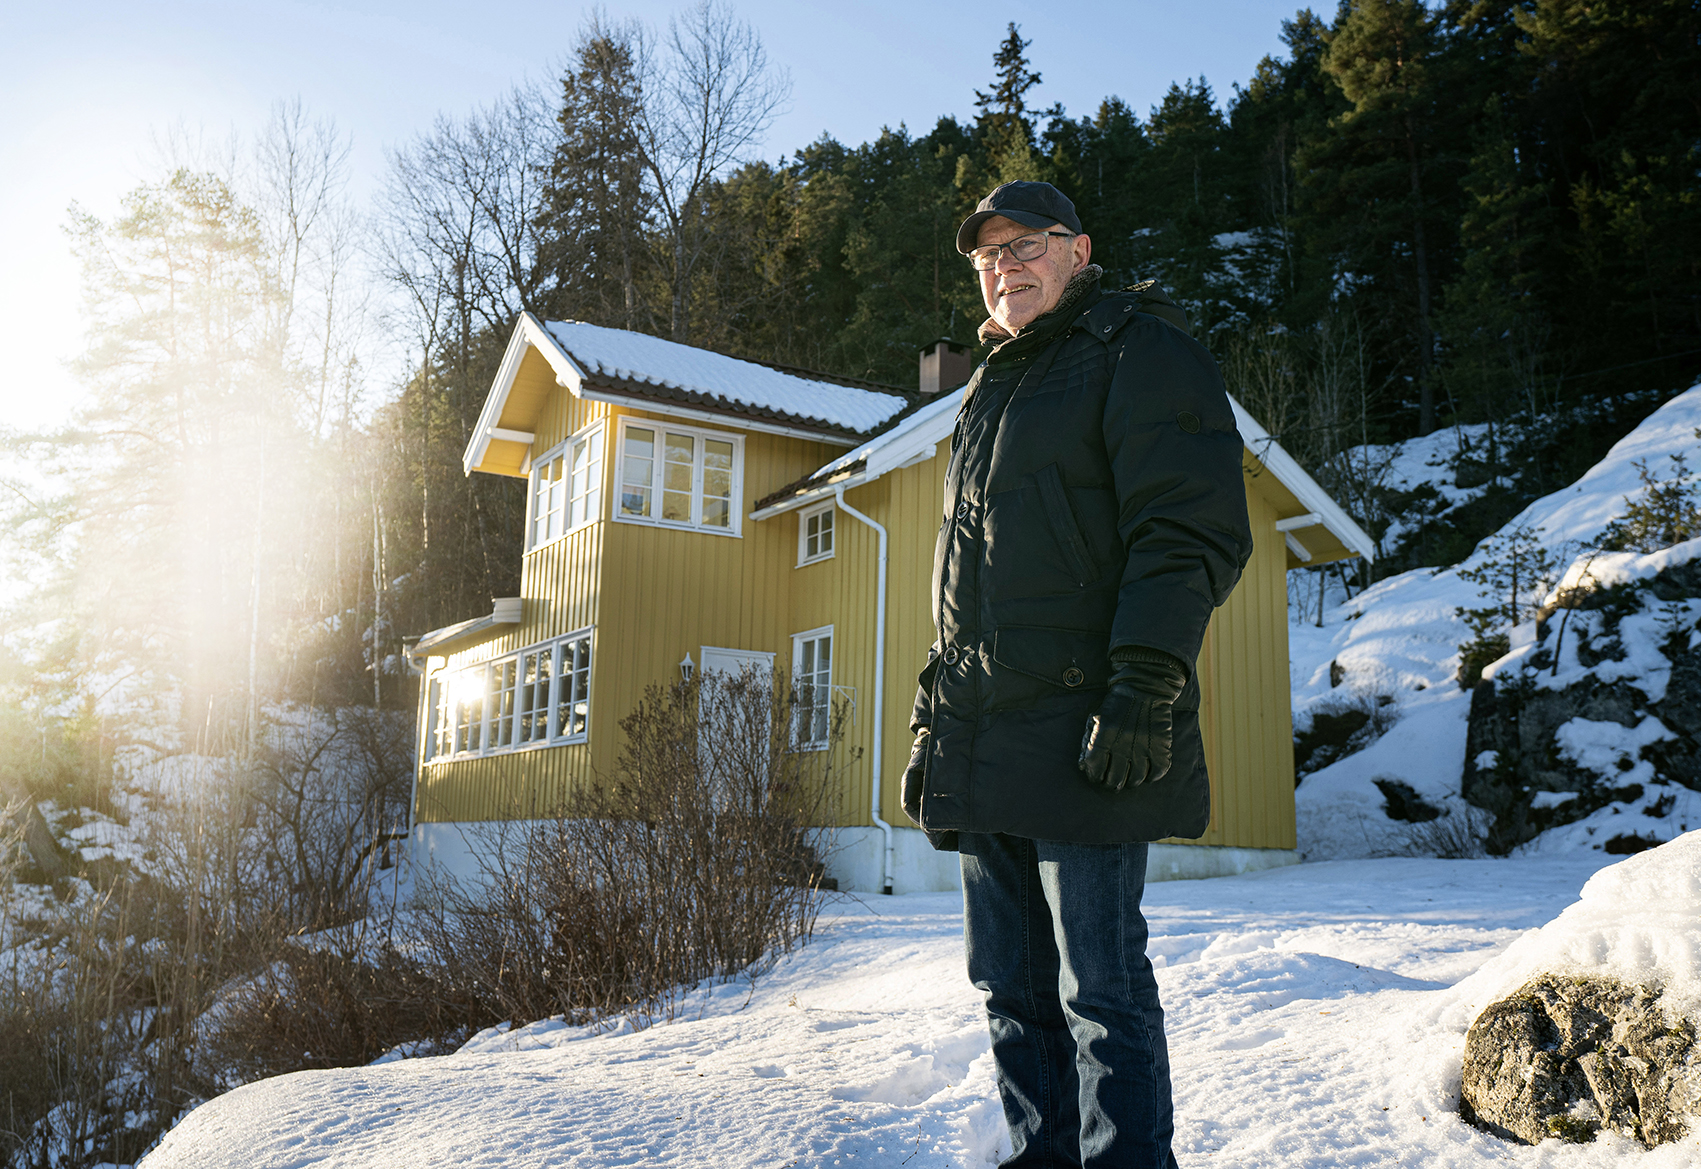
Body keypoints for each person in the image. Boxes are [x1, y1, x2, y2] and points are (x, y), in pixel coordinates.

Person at [902, 180, 1254, 1167]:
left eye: (1025, 246)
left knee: (1098, 986)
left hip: (1092, 723)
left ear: (1079, 250)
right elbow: (964, 584)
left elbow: (1187, 532)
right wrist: (936, 720)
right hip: (986, 729)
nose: (1003, 266)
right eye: (987, 255)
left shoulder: (1140, 347)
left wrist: (1145, 686)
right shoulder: (991, 384)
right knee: (1009, 987)